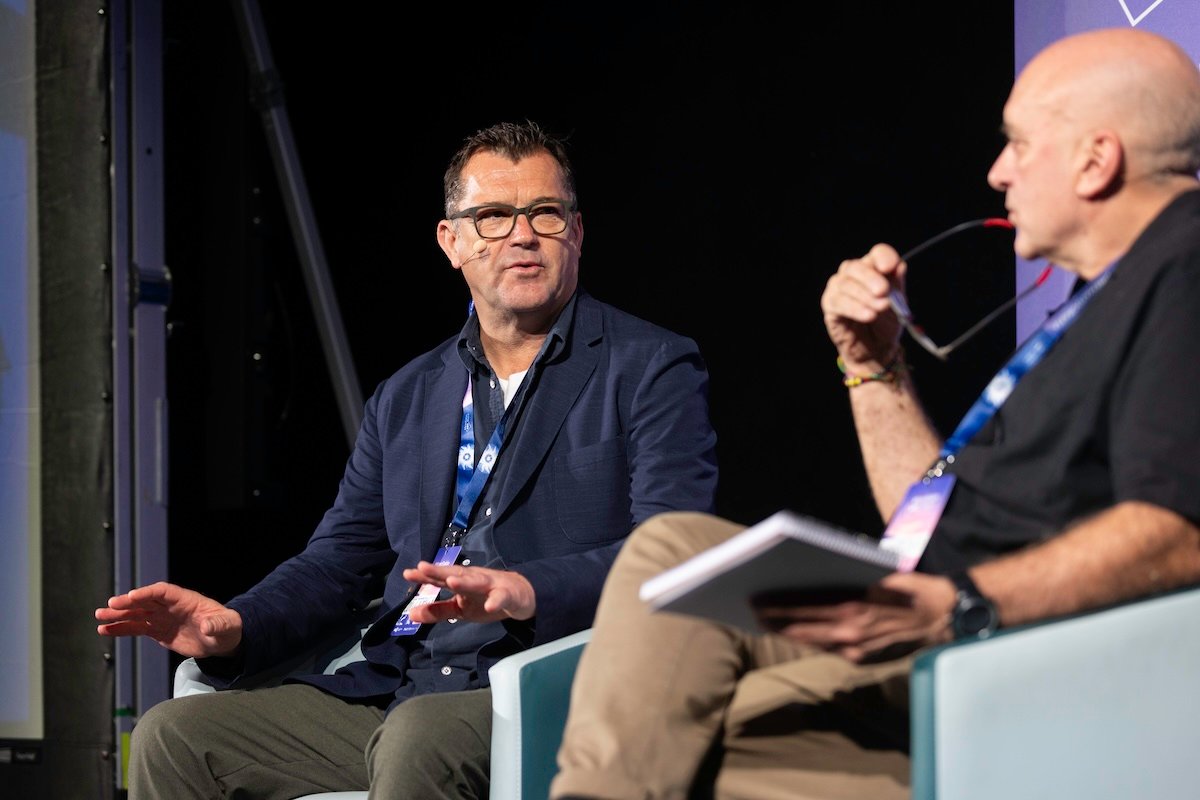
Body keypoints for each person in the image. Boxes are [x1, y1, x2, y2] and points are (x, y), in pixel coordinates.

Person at [550, 27, 1200, 800]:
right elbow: (920, 518)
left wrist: (961, 605)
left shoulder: (1185, 266)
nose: (997, 173)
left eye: (1019, 145)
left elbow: (1180, 530)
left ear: (1097, 160)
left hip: (1025, 661)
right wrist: (874, 365)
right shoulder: (1103, 299)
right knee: (674, 550)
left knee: (723, 719)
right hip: (948, 625)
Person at [96, 119, 719, 799]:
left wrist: (527, 590)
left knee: (419, 739)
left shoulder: (650, 366)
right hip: (401, 680)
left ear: (576, 230)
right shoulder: (408, 395)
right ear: (452, 242)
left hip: (548, 679)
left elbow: (674, 555)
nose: (522, 233)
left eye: (545, 212)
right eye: (492, 216)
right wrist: (237, 625)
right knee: (174, 737)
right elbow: (336, 562)